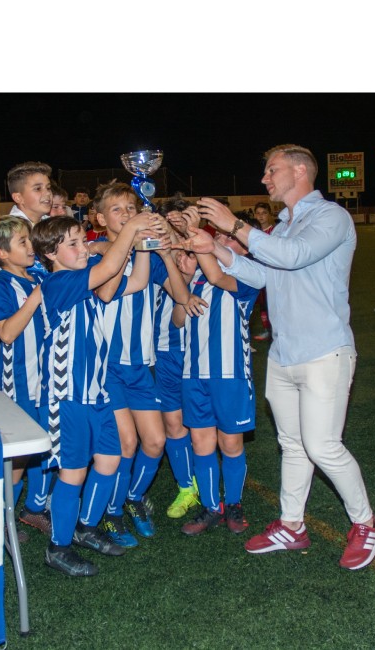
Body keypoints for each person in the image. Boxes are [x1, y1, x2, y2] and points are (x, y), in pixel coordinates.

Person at [194, 144, 375, 570]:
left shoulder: (330, 216)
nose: (264, 178)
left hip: (324, 351)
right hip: (284, 354)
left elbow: (294, 257)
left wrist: (235, 227)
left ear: (300, 170)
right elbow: (262, 272)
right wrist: (212, 247)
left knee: (323, 445)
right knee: (292, 444)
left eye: (271, 169)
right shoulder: (281, 227)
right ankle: (292, 525)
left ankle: (367, 524)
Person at [32, 213, 161, 577]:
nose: (82, 247)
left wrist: (143, 247)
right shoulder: (58, 282)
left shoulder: (85, 288)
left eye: (81, 240)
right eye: (72, 244)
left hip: (98, 394)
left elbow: (135, 280)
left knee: (110, 461)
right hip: (68, 397)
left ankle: (86, 527)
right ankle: (58, 547)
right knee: (72, 474)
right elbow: (105, 269)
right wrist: (132, 228)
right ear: (50, 254)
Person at [85, 182, 192, 547]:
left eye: (131, 208)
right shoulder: (97, 257)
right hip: (107, 366)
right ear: (100, 218)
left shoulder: (145, 253)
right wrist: (111, 245)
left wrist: (163, 255)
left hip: (140, 367)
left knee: (155, 441)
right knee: (126, 442)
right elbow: (104, 288)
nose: (127, 215)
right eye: (117, 210)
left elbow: (181, 296)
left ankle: (131, 497)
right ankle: (112, 513)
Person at [170, 227, 264, 536]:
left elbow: (217, 277)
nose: (224, 240)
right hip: (194, 374)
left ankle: (234, 503)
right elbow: (178, 320)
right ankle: (211, 507)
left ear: (245, 249)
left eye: (231, 238)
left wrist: (200, 250)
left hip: (230, 375)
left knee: (231, 443)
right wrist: (184, 285)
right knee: (201, 443)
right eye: (221, 236)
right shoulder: (197, 275)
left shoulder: (248, 277)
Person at [0, 216, 54, 539]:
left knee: (47, 444)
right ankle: (0, 517)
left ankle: (34, 509)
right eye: (22, 242)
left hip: (48, 376)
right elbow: (6, 333)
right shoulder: (1, 286)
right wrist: (36, 297)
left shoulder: (35, 275)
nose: (30, 246)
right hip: (21, 380)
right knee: (20, 452)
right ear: (2, 254)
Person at [154, 194, 206, 520]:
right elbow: (177, 311)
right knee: (173, 424)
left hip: (201, 353)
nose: (172, 231)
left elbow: (187, 310)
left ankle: (207, 483)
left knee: (201, 425)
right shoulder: (157, 260)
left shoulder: (204, 255)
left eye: (177, 223)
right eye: (167, 225)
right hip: (165, 352)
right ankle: (186, 487)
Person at [250, 201, 276, 341]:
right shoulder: (252, 231)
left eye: (264, 213)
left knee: (272, 303)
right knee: (261, 305)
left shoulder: (276, 231)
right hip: (256, 273)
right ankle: (267, 330)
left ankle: (276, 330)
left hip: (271, 274)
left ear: (270, 215)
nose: (260, 216)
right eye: (258, 213)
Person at [6, 161, 53, 227]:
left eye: (48, 188)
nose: (48, 193)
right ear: (18, 198)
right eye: (38, 189)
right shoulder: (9, 233)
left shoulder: (51, 224)